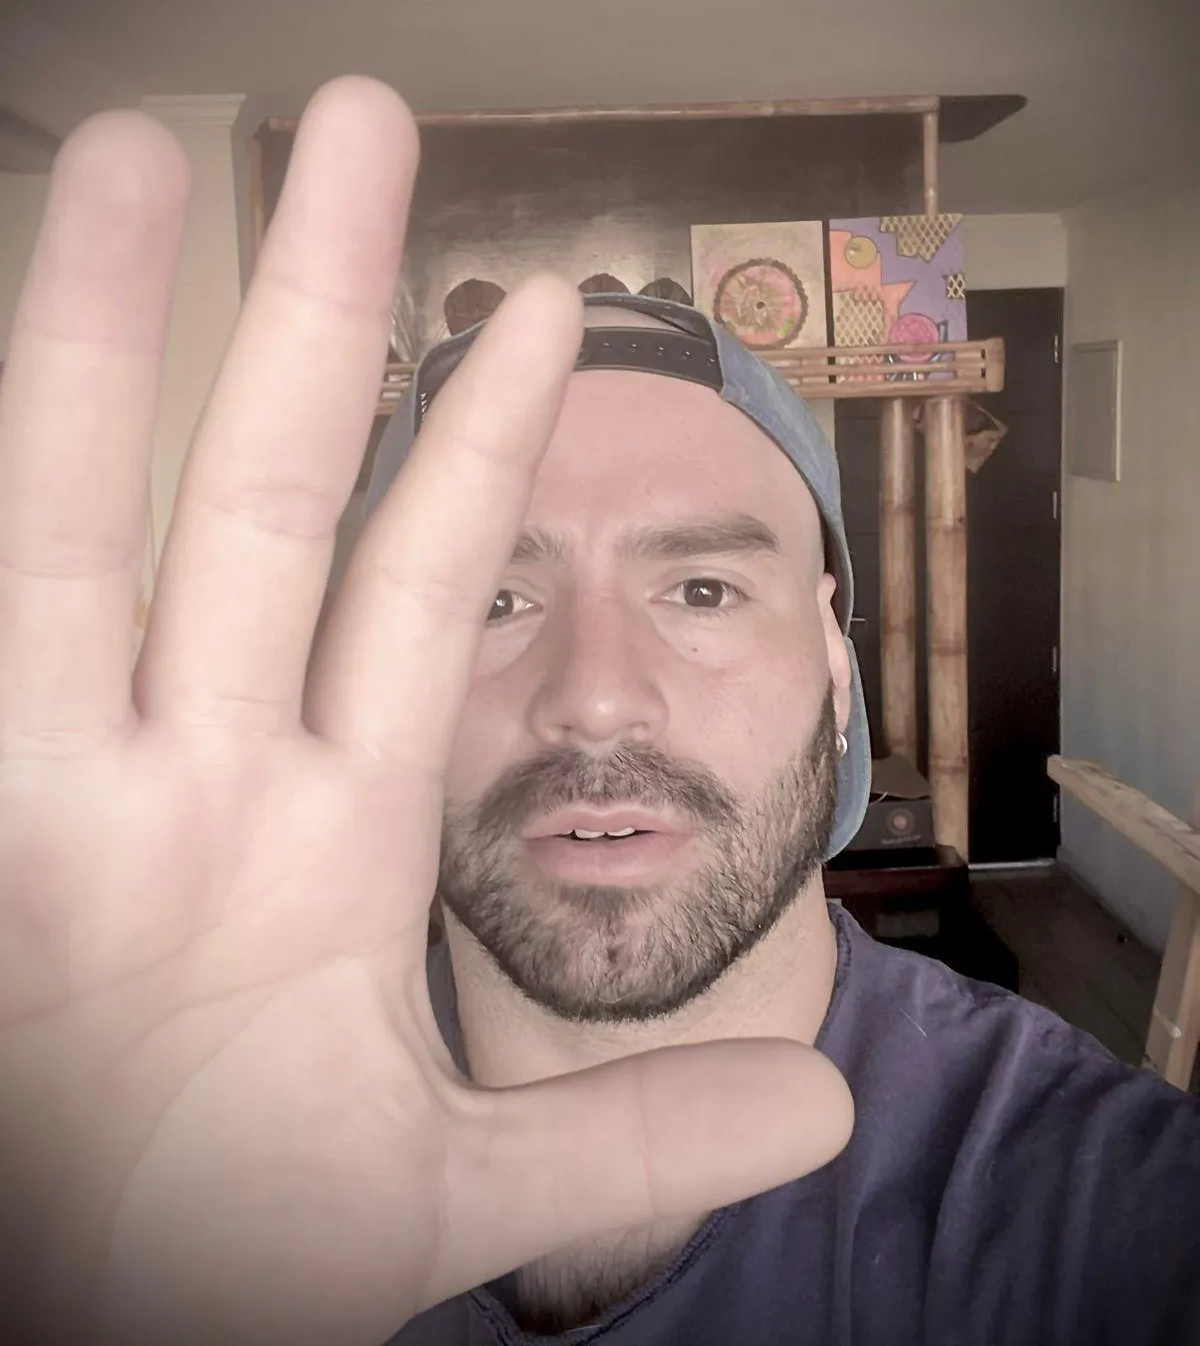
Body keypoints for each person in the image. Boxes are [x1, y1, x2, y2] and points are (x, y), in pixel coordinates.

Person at [0, 77, 1192, 1346]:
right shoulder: (193, 1168)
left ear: (836, 678)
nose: (597, 697)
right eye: (492, 600)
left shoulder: (1104, 1214)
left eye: (702, 588)